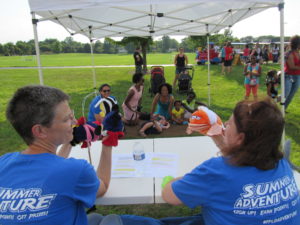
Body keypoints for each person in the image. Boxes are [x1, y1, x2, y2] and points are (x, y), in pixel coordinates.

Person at [162, 98, 300, 225]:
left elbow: (169, 195)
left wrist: (173, 180)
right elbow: (242, 162)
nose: (226, 123)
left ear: (240, 139)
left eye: (230, 123)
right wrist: (218, 138)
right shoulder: (280, 163)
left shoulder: (214, 172)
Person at [1, 85, 123, 225]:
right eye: (66, 119)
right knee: (112, 219)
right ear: (40, 131)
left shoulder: (3, 163)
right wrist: (109, 142)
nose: (75, 122)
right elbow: (103, 186)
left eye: (72, 115)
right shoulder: (75, 171)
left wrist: (69, 143)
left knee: (95, 218)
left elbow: (48, 171)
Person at [284, 35, 300, 111]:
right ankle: (273, 102)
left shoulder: (298, 53)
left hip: (297, 76)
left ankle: (283, 109)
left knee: (291, 95)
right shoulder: (289, 53)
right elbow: (292, 66)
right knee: (285, 94)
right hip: (288, 76)